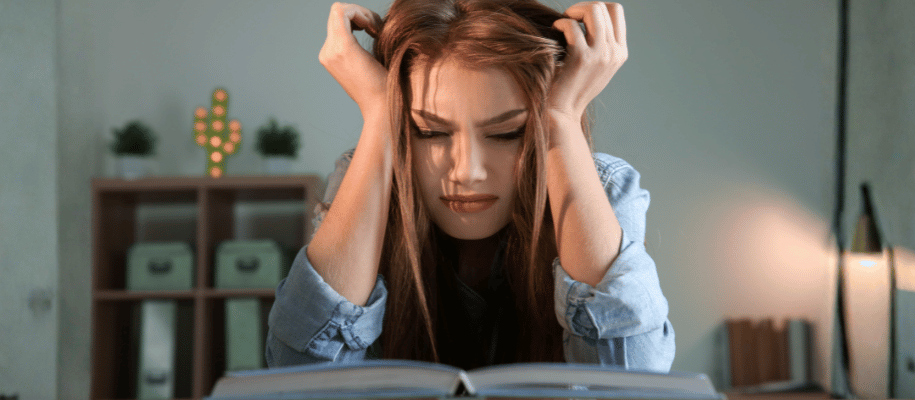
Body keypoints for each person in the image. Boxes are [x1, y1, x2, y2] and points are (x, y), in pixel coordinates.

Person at [266, 0, 674, 371]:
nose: (467, 172)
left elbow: (634, 380)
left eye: (507, 133)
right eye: (428, 132)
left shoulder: (601, 185)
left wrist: (562, 117)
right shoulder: (371, 176)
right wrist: (378, 111)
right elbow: (298, 377)